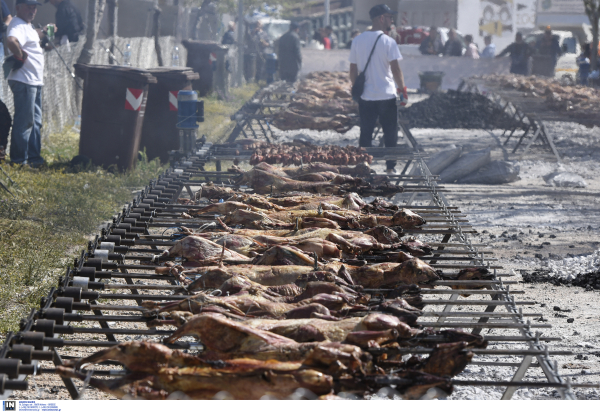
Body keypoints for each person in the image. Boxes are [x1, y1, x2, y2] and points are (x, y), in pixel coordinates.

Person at [349, 4, 407, 175]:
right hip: (387, 95)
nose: (392, 20)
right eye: (389, 17)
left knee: (365, 133)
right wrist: (402, 90)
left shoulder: (357, 41)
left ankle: (365, 165)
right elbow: (396, 69)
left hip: (366, 96)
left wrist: (356, 90)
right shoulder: (389, 41)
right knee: (390, 133)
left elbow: (353, 70)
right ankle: (390, 167)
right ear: (381, 18)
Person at [6, 0, 48, 167]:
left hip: (33, 81)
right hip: (24, 81)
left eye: (35, 7)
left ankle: (33, 159)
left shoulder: (26, 25)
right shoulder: (17, 23)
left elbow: (31, 36)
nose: (33, 10)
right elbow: (11, 40)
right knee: (25, 122)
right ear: (18, 8)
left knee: (35, 122)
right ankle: (18, 161)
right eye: (29, 6)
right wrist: (20, 55)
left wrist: (44, 31)